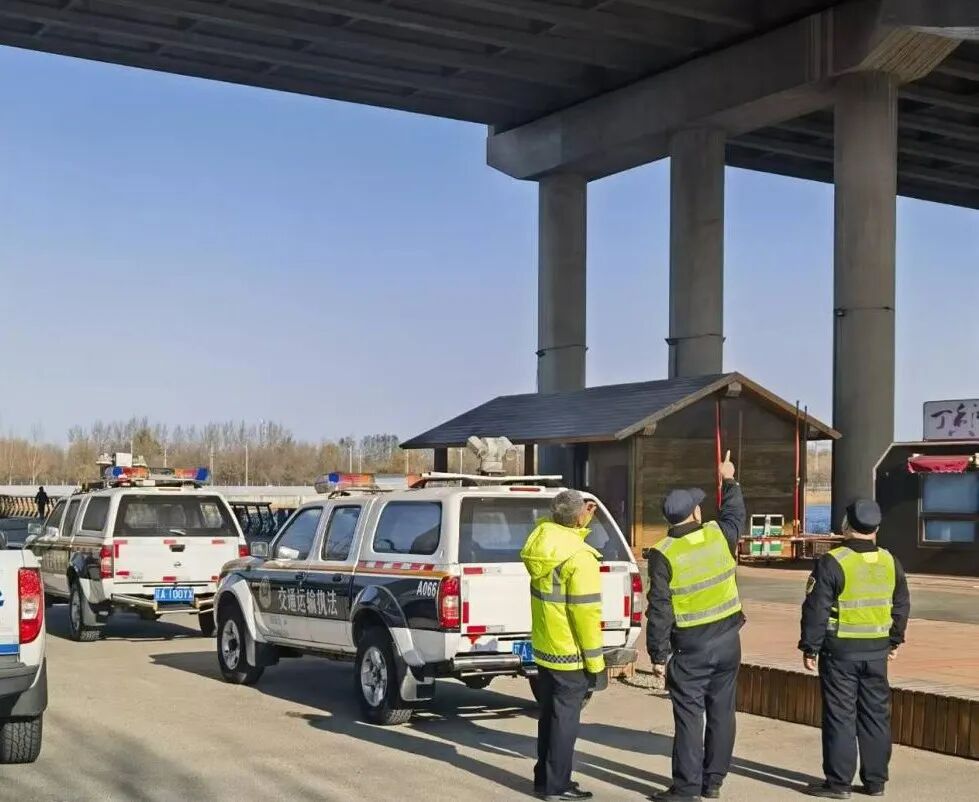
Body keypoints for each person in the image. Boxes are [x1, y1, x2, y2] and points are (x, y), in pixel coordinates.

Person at [647, 452, 746, 802]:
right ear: (696, 514)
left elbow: (660, 609)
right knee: (722, 712)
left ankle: (687, 788)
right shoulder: (719, 534)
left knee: (690, 717)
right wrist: (728, 479)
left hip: (690, 648)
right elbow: (735, 514)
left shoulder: (662, 553)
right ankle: (713, 781)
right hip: (728, 641)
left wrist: (658, 654)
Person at [800, 499, 910, 800]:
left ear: (846, 525)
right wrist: (894, 640)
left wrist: (810, 647)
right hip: (876, 652)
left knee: (840, 716)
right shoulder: (890, 561)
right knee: (876, 716)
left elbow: (816, 609)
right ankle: (875, 782)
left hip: (840, 653)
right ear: (876, 528)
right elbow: (901, 605)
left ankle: (839, 784)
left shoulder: (833, 562)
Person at [521, 489, 607, 801]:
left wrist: (580, 519)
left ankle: (544, 780)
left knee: (549, 717)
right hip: (571, 654)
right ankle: (557, 787)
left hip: (547, 649)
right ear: (580, 516)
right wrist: (596, 662)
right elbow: (585, 614)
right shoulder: (580, 557)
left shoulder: (542, 542)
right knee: (565, 722)